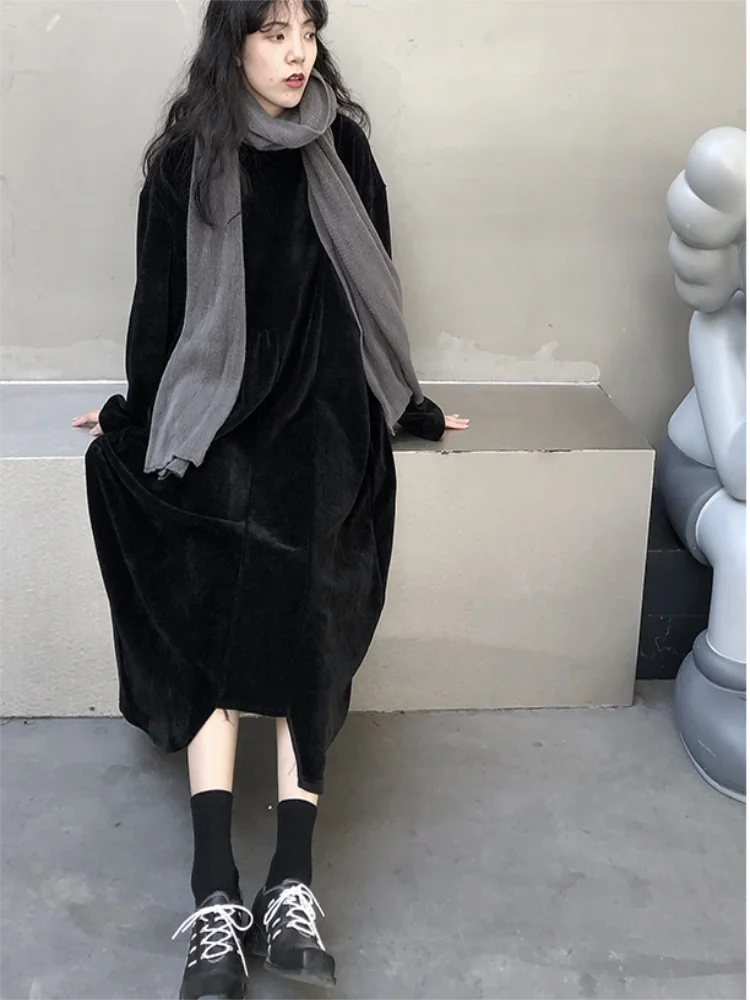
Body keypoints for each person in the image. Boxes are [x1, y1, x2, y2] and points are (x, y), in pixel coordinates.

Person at [73, 1, 468, 996]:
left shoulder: (345, 150)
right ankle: (215, 889)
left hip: (324, 417)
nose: (297, 53)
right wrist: (136, 416)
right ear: (234, 42)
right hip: (221, 415)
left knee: (304, 582)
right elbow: (160, 313)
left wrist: (409, 407)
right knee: (211, 572)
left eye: (307, 31)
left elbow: (375, 292)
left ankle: (292, 878)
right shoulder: (185, 163)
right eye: (273, 32)